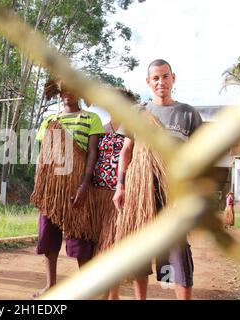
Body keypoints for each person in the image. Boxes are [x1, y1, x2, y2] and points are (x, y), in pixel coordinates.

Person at [113, 59, 203, 300]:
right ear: (148, 82)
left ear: (173, 77)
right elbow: (126, 151)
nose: (160, 82)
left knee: (177, 250)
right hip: (140, 189)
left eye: (165, 76)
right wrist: (120, 186)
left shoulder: (188, 114)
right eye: (155, 78)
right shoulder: (138, 113)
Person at [30, 77, 104, 298]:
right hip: (51, 188)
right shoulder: (50, 120)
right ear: (59, 93)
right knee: (48, 237)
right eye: (64, 90)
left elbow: (92, 154)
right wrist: (40, 186)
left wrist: (84, 184)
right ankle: (51, 284)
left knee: (81, 237)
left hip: (76, 186)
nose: (68, 93)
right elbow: (43, 156)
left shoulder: (91, 118)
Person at [91, 88, 138, 300]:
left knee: (115, 244)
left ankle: (114, 294)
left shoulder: (134, 129)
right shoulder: (101, 128)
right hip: (99, 192)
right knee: (100, 245)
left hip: (122, 194)